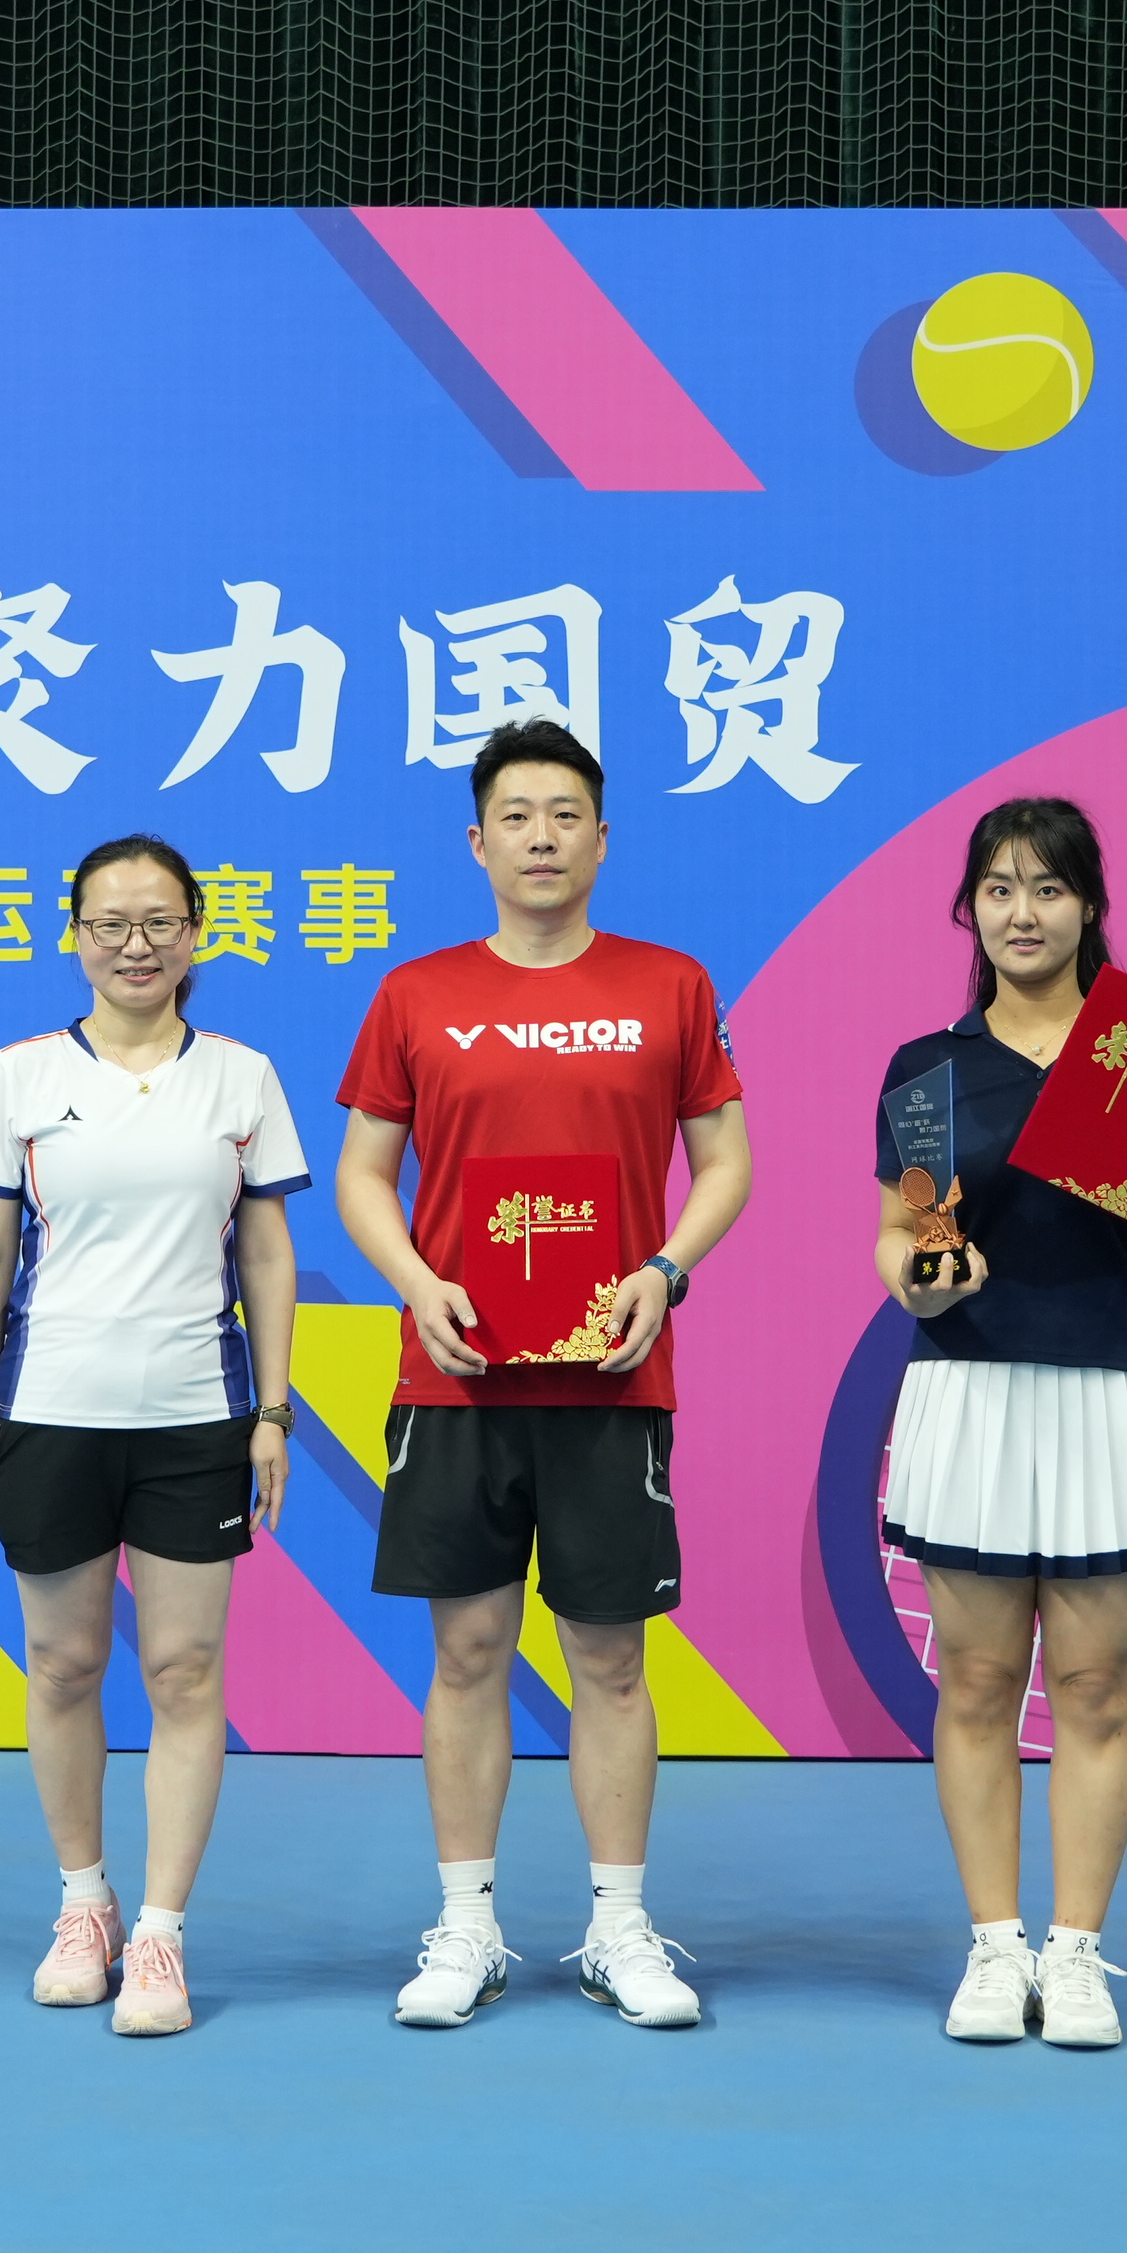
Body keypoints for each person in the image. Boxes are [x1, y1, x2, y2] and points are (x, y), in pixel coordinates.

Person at [334, 720, 753, 2028]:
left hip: (612, 1377)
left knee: (610, 1660)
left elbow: (727, 1162)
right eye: (516, 816)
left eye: (566, 814)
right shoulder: (416, 995)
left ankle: (620, 1930)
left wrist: (665, 1269)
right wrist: (419, 1286)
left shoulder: (670, 987)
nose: (541, 837)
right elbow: (363, 1176)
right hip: (454, 1379)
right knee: (467, 1653)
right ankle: (466, 1928)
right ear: (477, 841)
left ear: (603, 838)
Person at [871, 798, 1127, 2049]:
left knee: (1094, 1689)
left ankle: (1074, 1956)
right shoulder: (928, 1067)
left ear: (1088, 906)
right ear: (969, 909)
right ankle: (994, 1947)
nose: (1023, 913)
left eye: (1049, 888)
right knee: (976, 1681)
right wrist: (927, 1279)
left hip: (1109, 1388)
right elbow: (902, 1237)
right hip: (970, 1389)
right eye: (1000, 888)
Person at [0, 833, 308, 2039]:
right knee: (61, 1665)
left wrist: (272, 1412)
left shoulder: (242, 1079)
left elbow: (266, 1253)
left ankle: (159, 1933)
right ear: (74, 936)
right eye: (110, 924)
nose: (135, 945)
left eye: (159, 922)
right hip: (51, 1415)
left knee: (184, 1673)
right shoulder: (19, 1076)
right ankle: (82, 1905)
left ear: (196, 935)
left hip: (195, 1419)